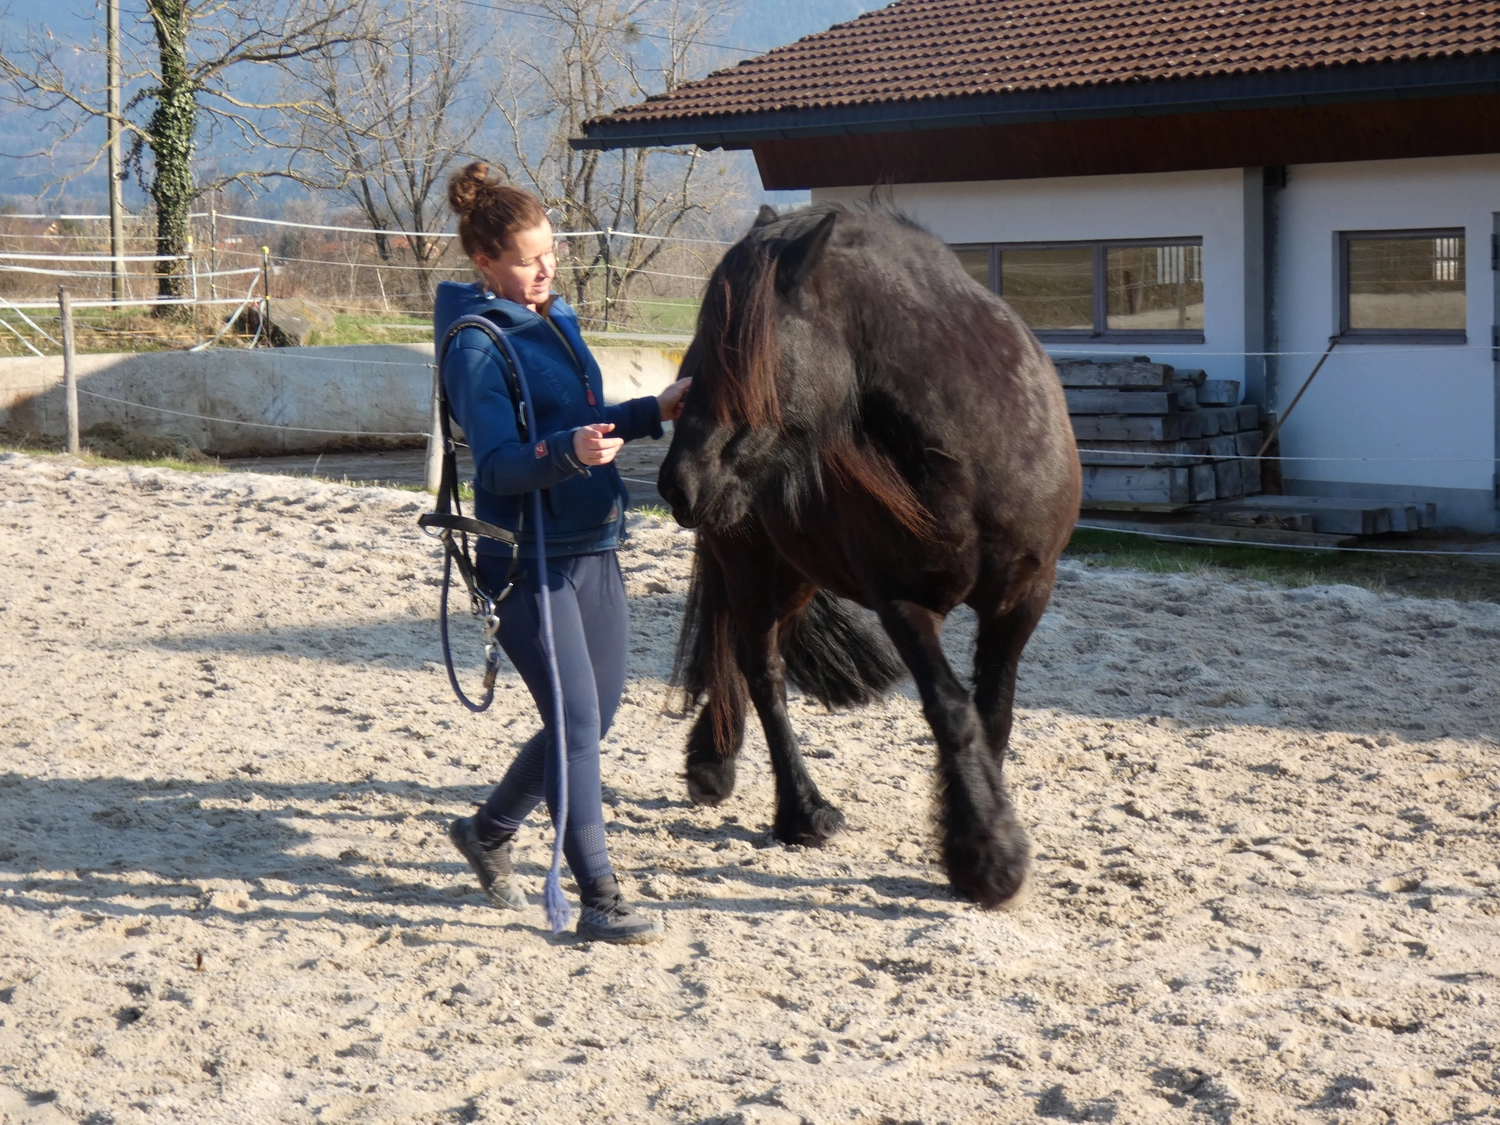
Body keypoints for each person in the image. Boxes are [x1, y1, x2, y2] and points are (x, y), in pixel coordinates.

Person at [434, 162, 689, 945]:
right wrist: (570, 454)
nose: (545, 268)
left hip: (593, 548)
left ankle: (487, 830)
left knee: (594, 717)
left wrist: (651, 411)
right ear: (484, 264)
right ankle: (600, 896)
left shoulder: (555, 316)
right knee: (576, 719)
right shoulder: (475, 344)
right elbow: (500, 463)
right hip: (527, 560)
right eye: (526, 259)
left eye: (551, 251)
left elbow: (579, 418)